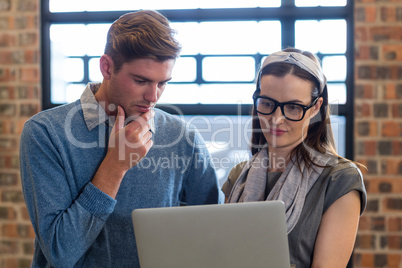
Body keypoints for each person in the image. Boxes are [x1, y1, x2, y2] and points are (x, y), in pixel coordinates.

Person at [20, 10, 223, 268]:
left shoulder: (182, 137)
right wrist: (114, 167)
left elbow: (214, 236)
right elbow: (61, 252)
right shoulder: (45, 133)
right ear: (107, 67)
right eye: (141, 80)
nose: (153, 96)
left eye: (163, 83)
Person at [222, 48, 367, 267]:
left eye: (293, 107)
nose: (276, 119)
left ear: (315, 108)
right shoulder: (238, 175)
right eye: (267, 104)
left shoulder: (339, 179)